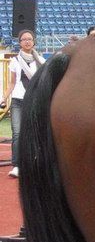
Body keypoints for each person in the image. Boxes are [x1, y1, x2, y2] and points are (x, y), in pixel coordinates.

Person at [1, 30, 45, 178]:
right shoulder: (14, 61)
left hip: (35, 101)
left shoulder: (41, 61)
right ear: (19, 42)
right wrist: (3, 98)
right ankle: (17, 165)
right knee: (17, 132)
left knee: (35, 133)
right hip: (18, 101)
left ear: (34, 41)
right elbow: (12, 83)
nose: (27, 41)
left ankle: (35, 163)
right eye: (24, 39)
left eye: (30, 39)